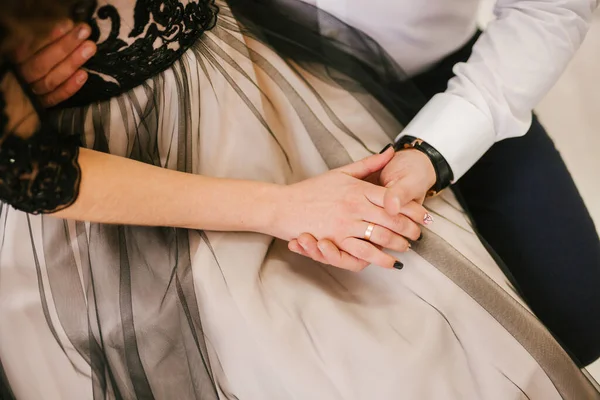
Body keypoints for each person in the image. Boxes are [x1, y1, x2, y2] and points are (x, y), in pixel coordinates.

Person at [0, 1, 598, 399]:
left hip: (298, 87)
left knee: (563, 318)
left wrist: (431, 153)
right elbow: (27, 172)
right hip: (120, 175)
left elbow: (553, 10)